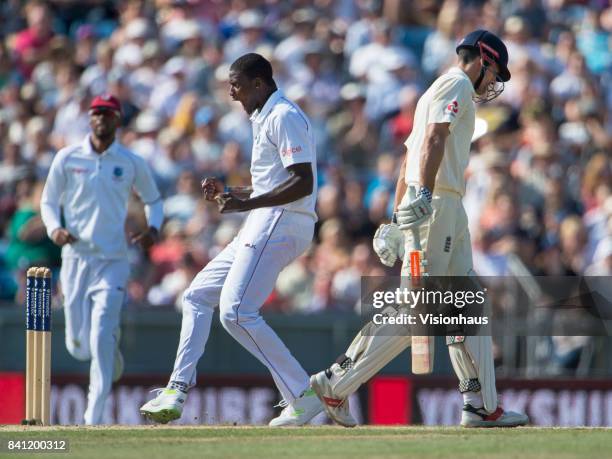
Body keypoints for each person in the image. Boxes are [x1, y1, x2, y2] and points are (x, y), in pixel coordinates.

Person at [310, 30, 530, 428]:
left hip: (443, 203)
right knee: (421, 309)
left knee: (467, 301)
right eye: (495, 71)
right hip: (439, 201)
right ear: (482, 58)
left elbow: (409, 155)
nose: (494, 83)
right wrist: (425, 196)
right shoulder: (457, 82)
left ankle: (481, 405)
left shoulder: (434, 90)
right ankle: (336, 381)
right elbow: (431, 138)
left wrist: (398, 217)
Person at [140, 53, 323, 427]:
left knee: (236, 312)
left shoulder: (283, 115)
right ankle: (176, 388)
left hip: (283, 221)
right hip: (265, 218)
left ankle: (304, 393)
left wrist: (249, 201)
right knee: (195, 295)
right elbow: (275, 182)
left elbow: (303, 181)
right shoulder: (264, 116)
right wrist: (234, 192)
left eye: (236, 84)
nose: (232, 92)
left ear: (259, 83)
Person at [40, 94, 163, 425]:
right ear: (89, 119)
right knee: (79, 345)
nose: (101, 118)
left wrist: (153, 228)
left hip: (113, 260)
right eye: (96, 113)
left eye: (108, 113)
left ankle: (93, 420)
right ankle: (111, 351)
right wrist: (55, 230)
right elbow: (48, 202)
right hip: (76, 259)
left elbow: (154, 200)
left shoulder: (129, 161)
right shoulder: (68, 158)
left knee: (100, 334)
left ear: (118, 120)